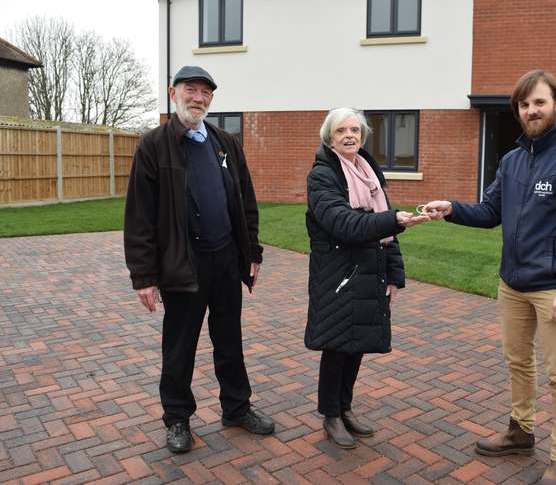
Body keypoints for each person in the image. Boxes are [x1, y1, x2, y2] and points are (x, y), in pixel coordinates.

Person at [422, 70, 556, 485]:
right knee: (517, 362)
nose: (531, 110)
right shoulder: (513, 160)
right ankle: (520, 432)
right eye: (524, 105)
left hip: (553, 288)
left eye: (539, 102)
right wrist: (451, 208)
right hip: (513, 284)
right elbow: (490, 213)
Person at [123, 65, 274, 454]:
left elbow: (246, 202)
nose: (198, 98)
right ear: (173, 93)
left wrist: (251, 252)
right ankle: (177, 419)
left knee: (229, 340)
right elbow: (139, 216)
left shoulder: (225, 144)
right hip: (182, 265)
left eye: (206, 92)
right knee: (180, 347)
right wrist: (143, 275)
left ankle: (237, 408)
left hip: (225, 260)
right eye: (191, 90)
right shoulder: (154, 145)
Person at [304, 107, 426, 449]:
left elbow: (387, 234)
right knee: (337, 344)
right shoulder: (321, 177)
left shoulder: (369, 173)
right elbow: (344, 222)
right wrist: (394, 219)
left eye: (355, 130)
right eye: (342, 130)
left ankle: (345, 408)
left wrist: (394, 274)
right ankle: (330, 415)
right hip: (337, 274)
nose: (349, 135)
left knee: (356, 344)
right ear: (329, 137)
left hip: (370, 270)